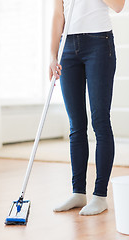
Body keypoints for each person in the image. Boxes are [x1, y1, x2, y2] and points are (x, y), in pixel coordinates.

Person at [49, 0, 125, 216]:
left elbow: (119, 6)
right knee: (76, 125)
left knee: (100, 120)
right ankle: (78, 192)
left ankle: (100, 196)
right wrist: (52, 55)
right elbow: (58, 14)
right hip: (67, 48)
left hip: (99, 43)